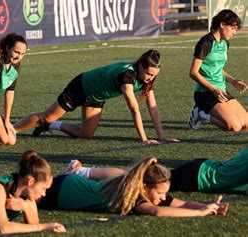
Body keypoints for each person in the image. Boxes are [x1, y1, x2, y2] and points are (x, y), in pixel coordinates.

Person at [13, 50, 179, 144]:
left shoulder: (146, 80)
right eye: (149, 74)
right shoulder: (127, 75)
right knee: (46, 116)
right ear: (140, 66)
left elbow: (153, 109)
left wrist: (161, 137)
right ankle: (11, 130)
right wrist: (144, 139)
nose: (151, 78)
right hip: (81, 87)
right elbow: (134, 110)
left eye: (154, 75)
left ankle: (50, 126)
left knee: (86, 134)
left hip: (96, 97)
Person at [39, 157, 228, 217]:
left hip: (71, 185)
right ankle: (79, 170)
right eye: (160, 192)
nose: (163, 197)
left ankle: (79, 170)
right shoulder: (136, 196)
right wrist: (199, 213)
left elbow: (178, 203)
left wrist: (207, 207)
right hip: (62, 192)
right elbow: (156, 212)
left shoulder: (146, 191)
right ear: (145, 186)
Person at [66, 145, 248, 195]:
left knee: (139, 177)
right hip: (199, 176)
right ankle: (80, 171)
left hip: (203, 170)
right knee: (137, 179)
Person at [187, 9, 247, 131]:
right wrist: (213, 89)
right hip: (205, 93)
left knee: (245, 124)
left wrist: (233, 81)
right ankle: (201, 114)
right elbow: (193, 73)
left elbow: (217, 68)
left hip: (221, 91)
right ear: (222, 24)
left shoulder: (225, 43)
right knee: (234, 126)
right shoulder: (205, 42)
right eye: (233, 28)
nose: (234, 32)